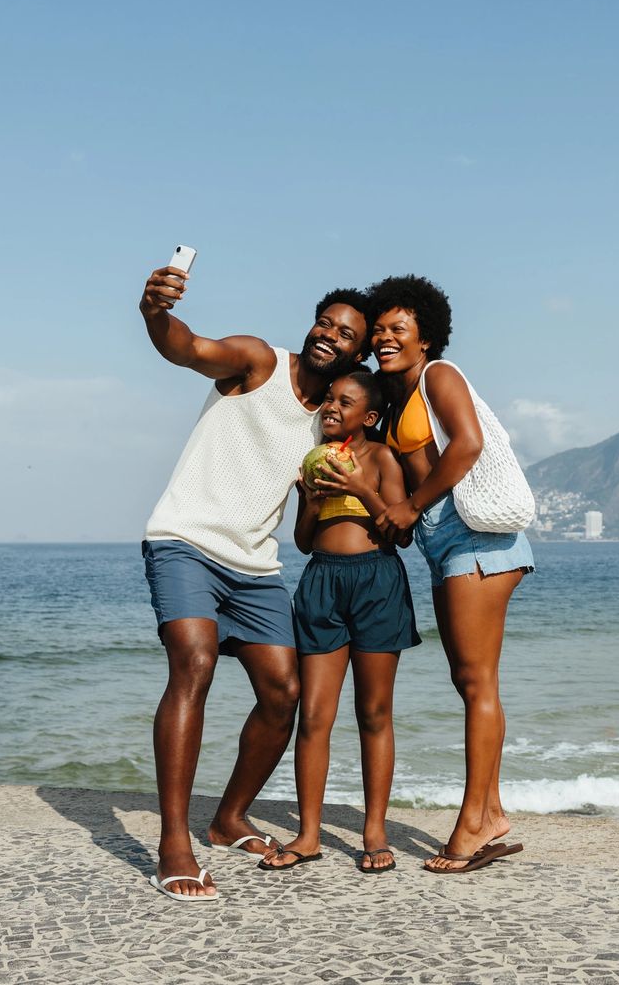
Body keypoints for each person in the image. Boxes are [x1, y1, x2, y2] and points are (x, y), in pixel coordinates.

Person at [137, 263, 371, 900]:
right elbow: (187, 348)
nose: (330, 335)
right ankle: (174, 842)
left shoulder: (327, 424)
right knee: (194, 662)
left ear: (357, 351)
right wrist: (157, 310)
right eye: (326, 322)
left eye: (346, 334)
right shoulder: (258, 361)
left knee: (282, 690)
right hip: (185, 541)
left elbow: (309, 528)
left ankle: (228, 817)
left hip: (255, 567)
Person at [367, 274, 534, 874]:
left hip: (477, 537)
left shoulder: (440, 376)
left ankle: (473, 822)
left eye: (398, 330)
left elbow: (466, 445)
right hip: (445, 540)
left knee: (475, 682)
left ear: (426, 339)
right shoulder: (394, 395)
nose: (386, 337)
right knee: (475, 682)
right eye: (380, 329)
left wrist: (411, 506)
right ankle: (490, 810)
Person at [257, 370, 421, 875]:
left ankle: (374, 830)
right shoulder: (315, 461)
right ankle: (308, 834)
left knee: (373, 713)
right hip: (322, 581)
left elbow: (400, 533)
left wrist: (359, 488)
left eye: (344, 402)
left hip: (376, 581)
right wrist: (311, 500)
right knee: (314, 716)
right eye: (328, 399)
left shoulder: (381, 459)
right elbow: (305, 541)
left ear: (368, 417)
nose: (330, 407)